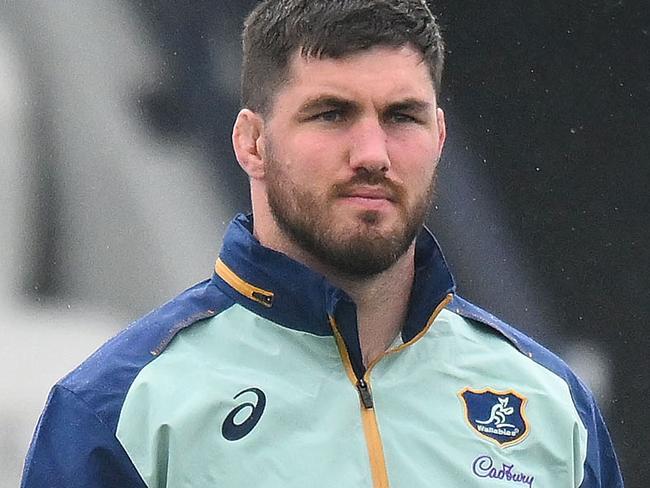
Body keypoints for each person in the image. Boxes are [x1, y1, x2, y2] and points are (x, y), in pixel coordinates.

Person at [21, 0, 623, 486]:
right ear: (251, 142)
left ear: (439, 137)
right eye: (331, 114)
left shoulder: (547, 401)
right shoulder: (120, 406)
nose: (372, 154)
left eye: (402, 117)